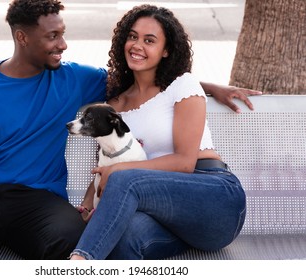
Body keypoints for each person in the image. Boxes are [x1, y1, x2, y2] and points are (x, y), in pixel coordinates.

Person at [0, 0, 257, 260]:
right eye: (53, 36)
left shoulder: (73, 78)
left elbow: (160, 83)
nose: (63, 44)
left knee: (77, 237)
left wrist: (209, 86)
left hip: (41, 201)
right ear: (22, 37)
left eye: (62, 33)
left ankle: (82, 264)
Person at [70, 4, 247, 260]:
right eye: (132, 36)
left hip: (213, 197)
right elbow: (107, 165)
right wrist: (87, 206)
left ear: (166, 51)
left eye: (149, 40)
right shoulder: (115, 106)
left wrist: (119, 172)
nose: (137, 45)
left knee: (125, 177)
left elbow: (185, 163)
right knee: (124, 237)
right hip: (163, 215)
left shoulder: (182, 85)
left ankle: (77, 265)